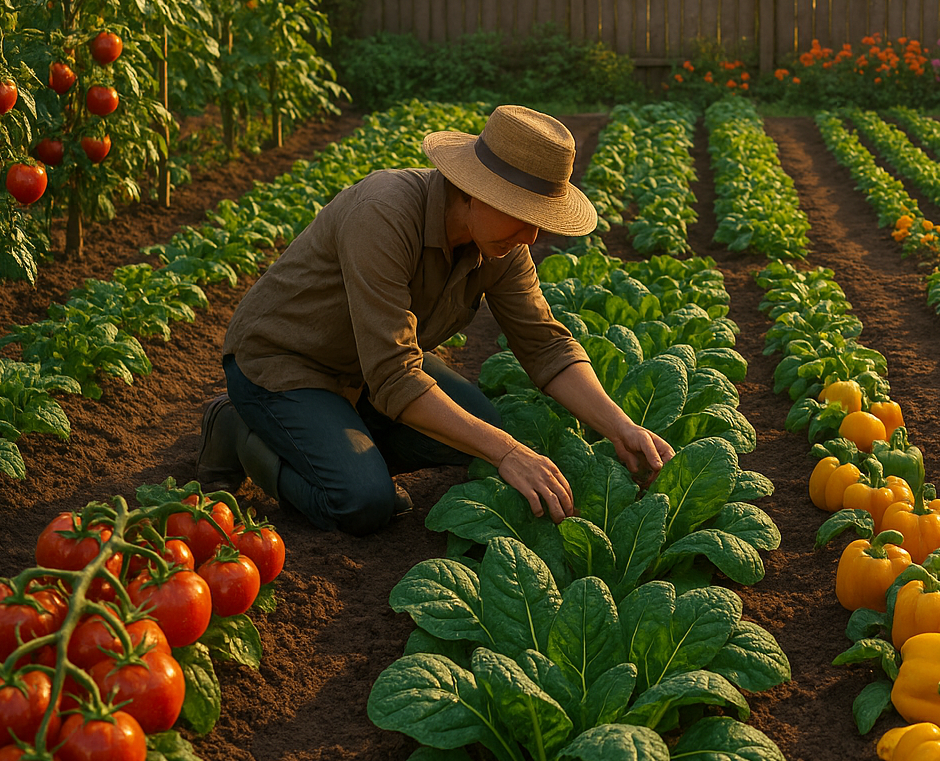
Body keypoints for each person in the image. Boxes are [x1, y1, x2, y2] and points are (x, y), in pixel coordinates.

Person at [197, 104, 675, 535]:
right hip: (285, 365)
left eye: (540, 219)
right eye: (522, 214)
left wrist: (621, 427)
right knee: (362, 501)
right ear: (473, 191)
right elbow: (394, 373)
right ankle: (240, 431)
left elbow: (545, 345)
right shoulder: (383, 214)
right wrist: (506, 452)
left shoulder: (503, 244)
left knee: (484, 426)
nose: (531, 236)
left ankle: (333, 441)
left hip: (367, 370)